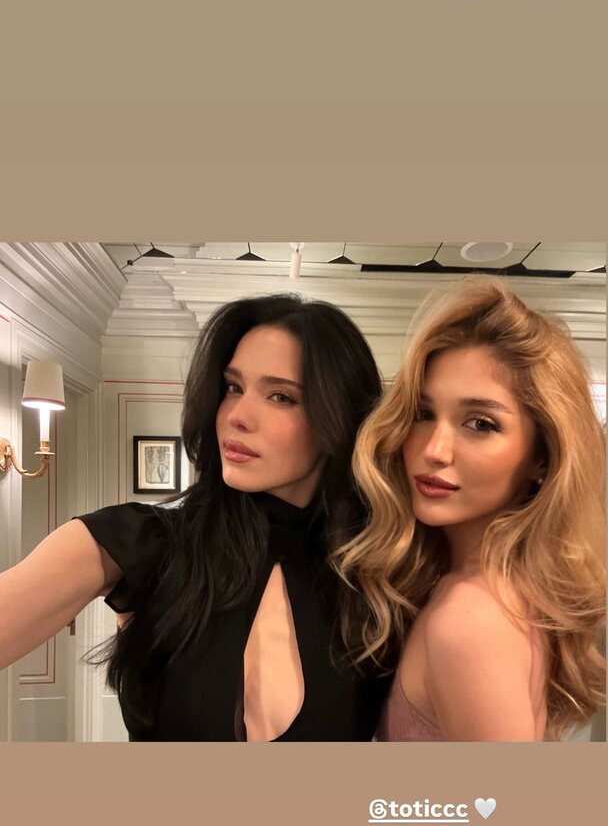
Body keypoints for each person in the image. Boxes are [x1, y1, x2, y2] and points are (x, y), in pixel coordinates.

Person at [0, 294, 390, 741]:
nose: (237, 416)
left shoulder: (379, 578)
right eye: (233, 387)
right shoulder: (142, 542)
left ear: (340, 418)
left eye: (281, 397)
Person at [334, 278, 605, 742]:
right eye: (423, 414)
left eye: (480, 423)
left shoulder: (469, 621)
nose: (434, 449)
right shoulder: (490, 589)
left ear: (541, 458)